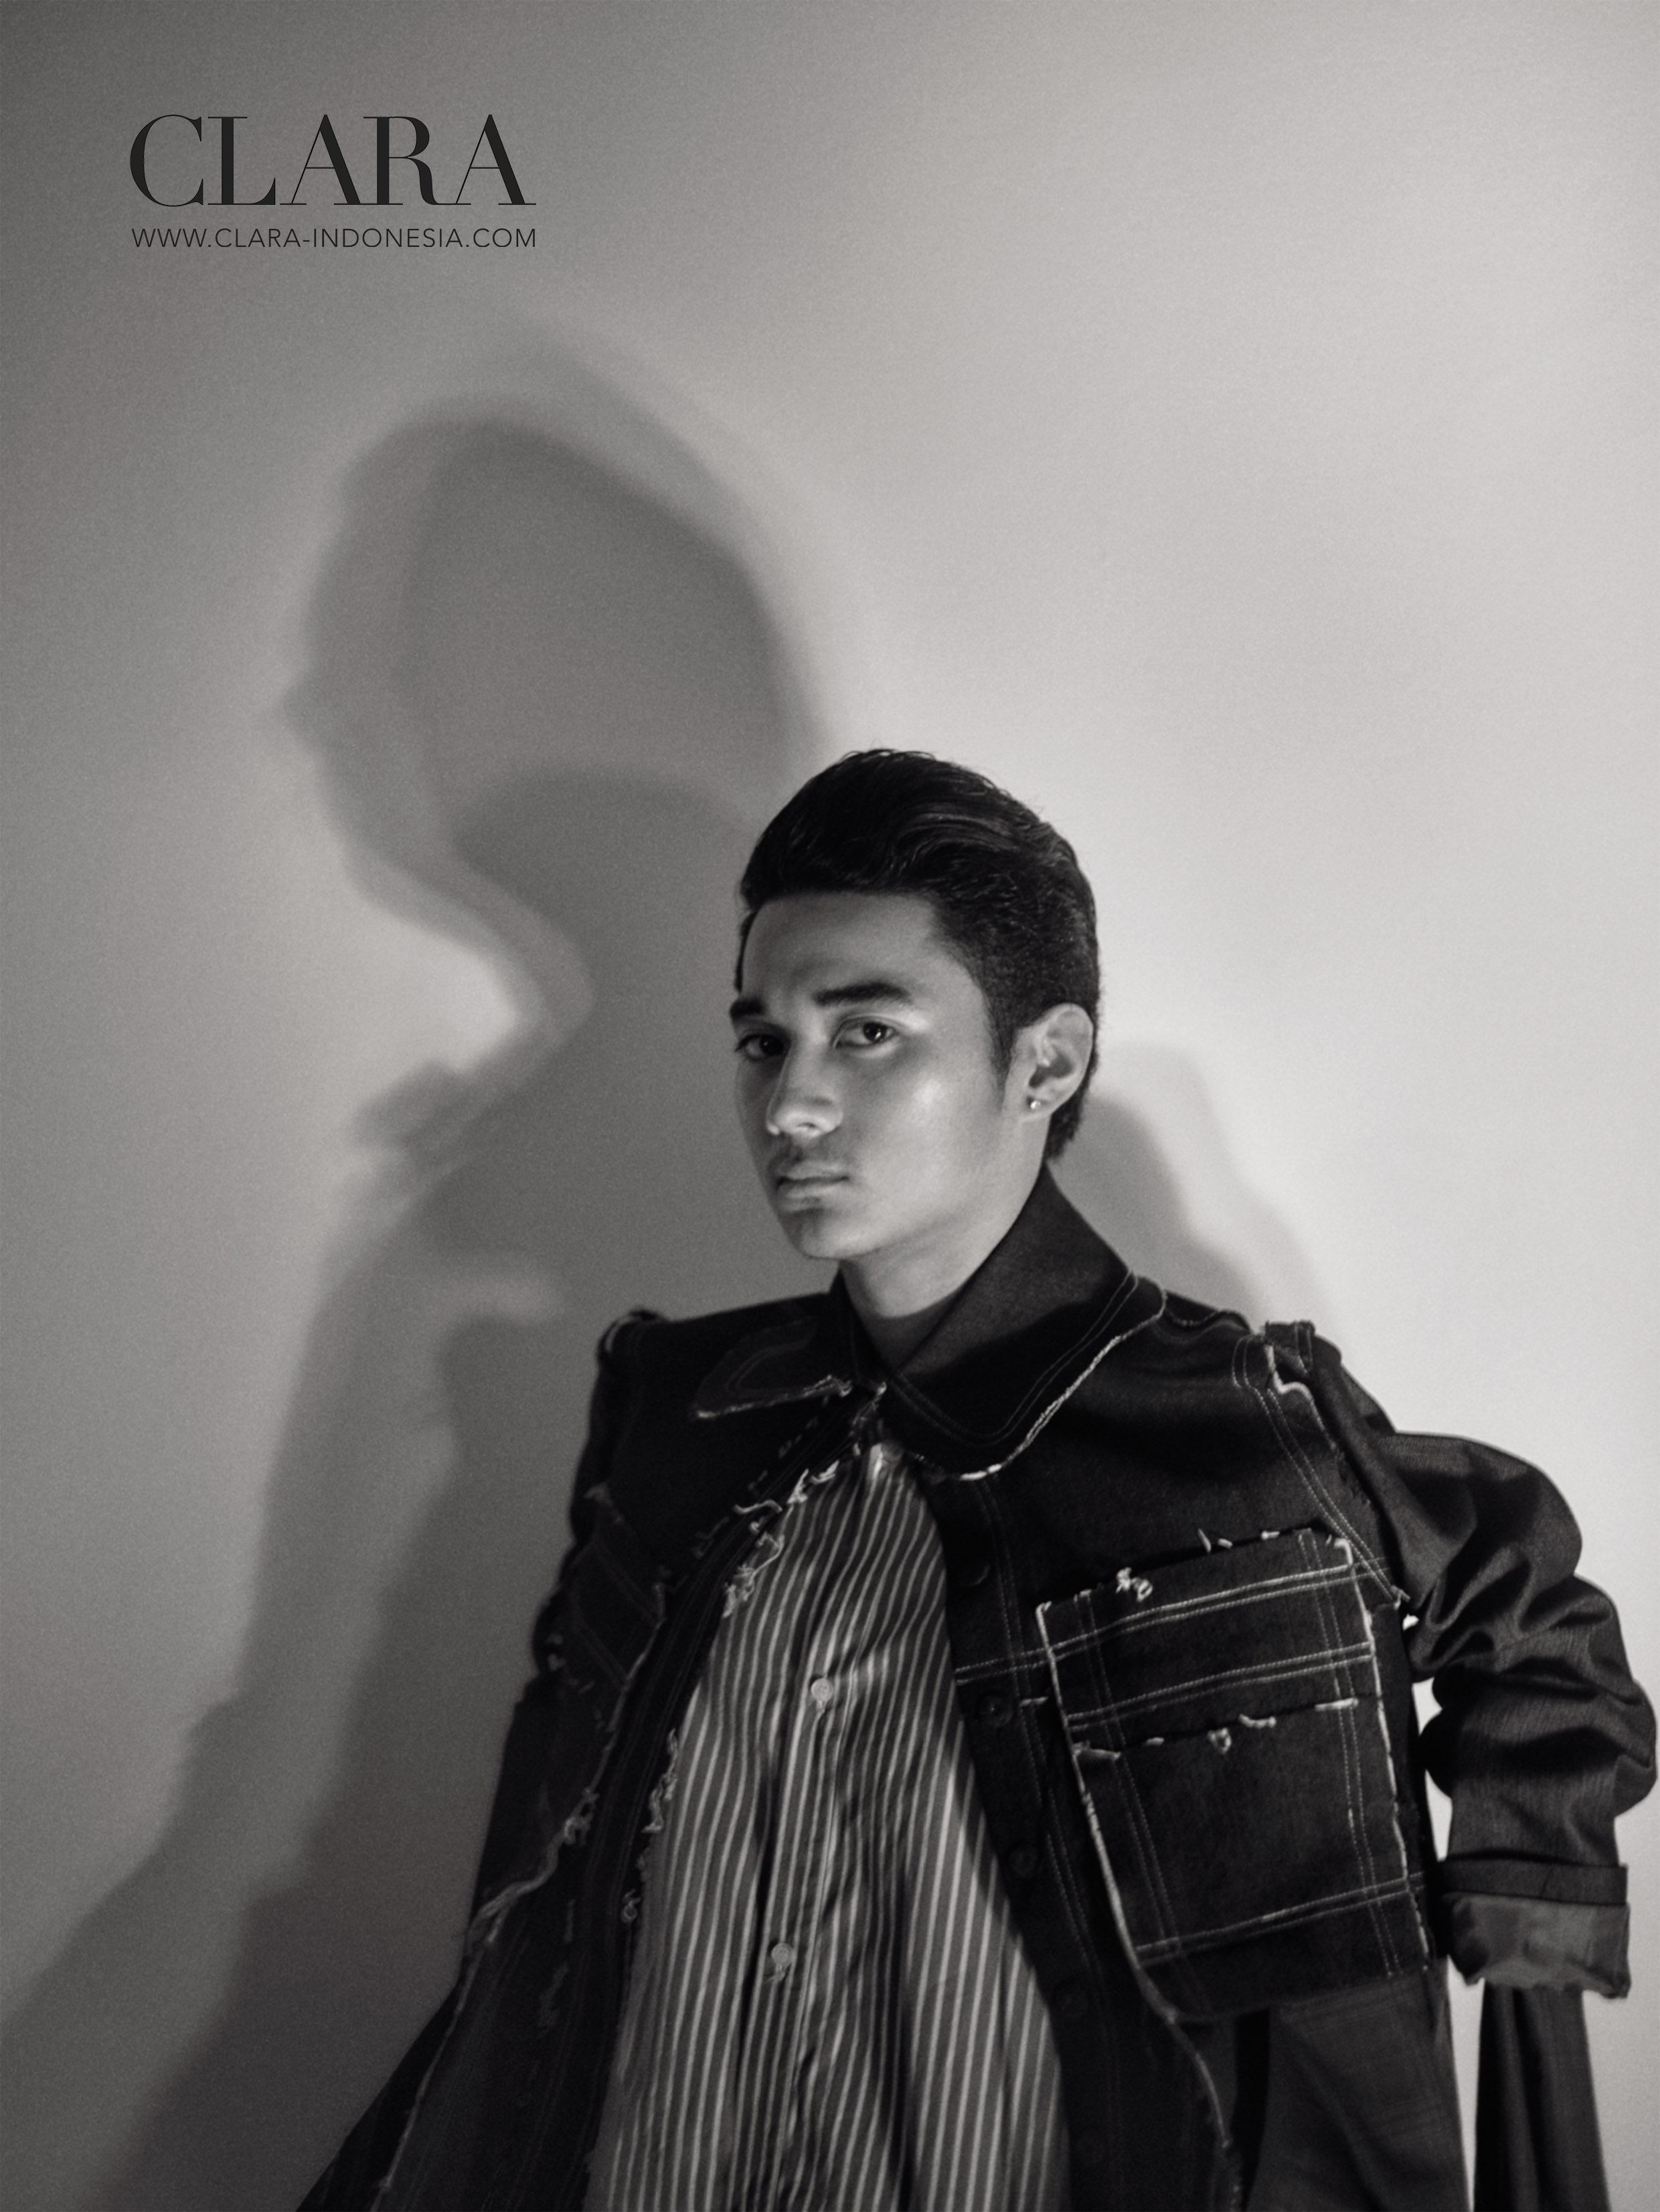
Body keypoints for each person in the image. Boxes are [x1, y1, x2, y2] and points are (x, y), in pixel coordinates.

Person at [304, 751, 1653, 2211]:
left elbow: (1532, 1616)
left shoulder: (1235, 1429)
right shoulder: (681, 1415)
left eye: (867, 1031)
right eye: (762, 1040)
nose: (791, 1103)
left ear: (1046, 1063)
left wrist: (1530, 1936)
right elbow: (543, 1905)